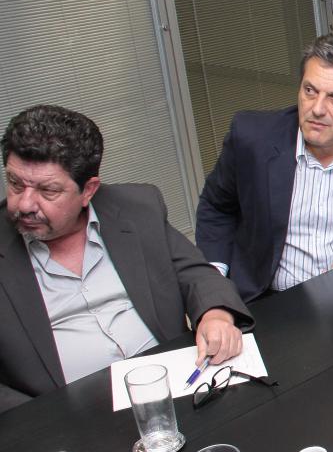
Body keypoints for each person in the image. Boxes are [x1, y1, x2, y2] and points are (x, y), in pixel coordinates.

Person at [0, 105, 252, 411]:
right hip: (65, 417)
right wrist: (43, 419)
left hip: (178, 389)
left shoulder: (136, 208)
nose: (25, 204)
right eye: (16, 184)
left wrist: (215, 315)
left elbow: (195, 273)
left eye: (48, 190)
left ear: (88, 190)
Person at [197, 33, 333, 301]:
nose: (317, 109)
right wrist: (214, 282)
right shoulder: (252, 137)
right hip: (265, 297)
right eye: (310, 91)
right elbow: (216, 208)